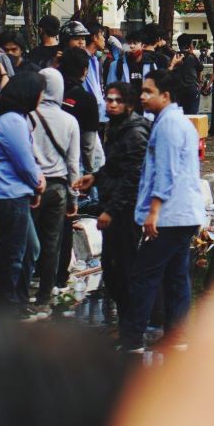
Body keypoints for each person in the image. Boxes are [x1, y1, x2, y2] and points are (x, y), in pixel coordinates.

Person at [118, 69, 207, 353]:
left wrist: (153, 213)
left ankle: (132, 339)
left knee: (143, 275)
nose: (142, 97)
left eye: (148, 92)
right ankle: (177, 336)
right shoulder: (176, 122)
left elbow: (165, 173)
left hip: (170, 215)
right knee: (176, 275)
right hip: (184, 213)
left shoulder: (168, 126)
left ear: (165, 96)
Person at [73, 81, 150, 319]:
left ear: (128, 105)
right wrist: (95, 178)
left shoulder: (135, 132)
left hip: (126, 210)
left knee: (123, 268)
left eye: (118, 100)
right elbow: (115, 166)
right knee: (113, 267)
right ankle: (131, 321)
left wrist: (112, 211)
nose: (112, 104)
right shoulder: (115, 127)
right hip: (114, 203)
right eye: (109, 99)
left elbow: (133, 177)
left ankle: (134, 326)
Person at [0, 71, 45, 316]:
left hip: (10, 191)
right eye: (40, 92)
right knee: (12, 253)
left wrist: (35, 181)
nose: (42, 97)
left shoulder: (12, 117)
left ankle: (18, 299)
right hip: (6, 192)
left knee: (29, 248)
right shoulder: (13, 121)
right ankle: (7, 306)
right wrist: (37, 184)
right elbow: (24, 162)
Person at [29, 68, 81, 315]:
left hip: (31, 188)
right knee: (51, 244)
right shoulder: (70, 121)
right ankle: (44, 297)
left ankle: (19, 292)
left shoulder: (27, 117)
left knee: (26, 242)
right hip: (59, 188)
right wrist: (74, 196)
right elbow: (73, 163)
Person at [170, 34, 204, 114]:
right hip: (192, 89)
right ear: (190, 45)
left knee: (179, 115)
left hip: (178, 90)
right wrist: (200, 84)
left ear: (178, 44)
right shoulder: (192, 57)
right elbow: (200, 69)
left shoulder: (175, 56)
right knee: (192, 116)